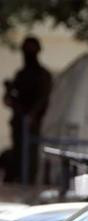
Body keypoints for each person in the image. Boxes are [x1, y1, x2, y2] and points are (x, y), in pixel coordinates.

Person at [2, 36, 52, 184]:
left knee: (29, 154)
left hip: (32, 124)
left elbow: (43, 97)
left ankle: (27, 181)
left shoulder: (42, 75)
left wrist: (32, 115)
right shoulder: (21, 74)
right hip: (19, 122)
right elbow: (9, 100)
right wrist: (9, 91)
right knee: (18, 152)